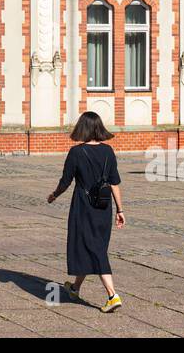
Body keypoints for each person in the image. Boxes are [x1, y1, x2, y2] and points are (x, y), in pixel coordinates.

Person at [46, 111, 125, 312]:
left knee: (95, 249)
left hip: (83, 206)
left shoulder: (76, 153)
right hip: (104, 206)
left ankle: (112, 295)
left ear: (82, 128)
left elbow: (66, 181)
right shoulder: (108, 151)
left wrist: (54, 195)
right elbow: (115, 183)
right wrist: (120, 209)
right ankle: (75, 288)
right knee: (90, 245)